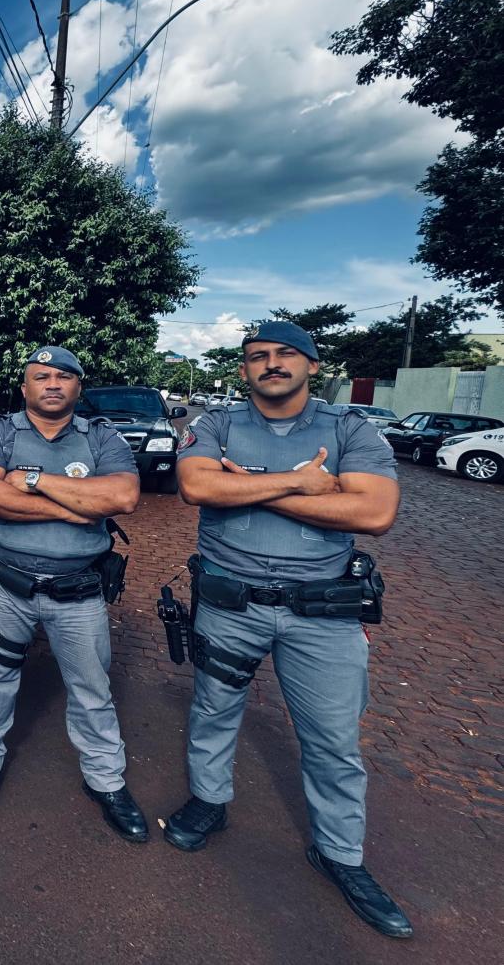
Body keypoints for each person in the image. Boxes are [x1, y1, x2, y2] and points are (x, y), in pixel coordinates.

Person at [164, 321, 412, 939]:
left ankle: (340, 854)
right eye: (257, 357)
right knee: (213, 710)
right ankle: (208, 802)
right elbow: (195, 485)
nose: (270, 364)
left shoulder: (350, 428)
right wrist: (304, 483)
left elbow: (373, 511)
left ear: (310, 363)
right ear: (243, 369)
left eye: (284, 355)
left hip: (322, 614)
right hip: (230, 602)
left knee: (332, 738)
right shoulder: (218, 423)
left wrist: (244, 487)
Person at [0, 346, 148, 841]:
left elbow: (124, 498)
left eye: (63, 377)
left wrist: (34, 481)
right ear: (24, 387)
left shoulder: (102, 437)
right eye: (40, 376)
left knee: (91, 689)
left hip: (80, 592)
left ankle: (106, 781)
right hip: (9, 585)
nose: (51, 384)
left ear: (77, 388)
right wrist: (76, 508)